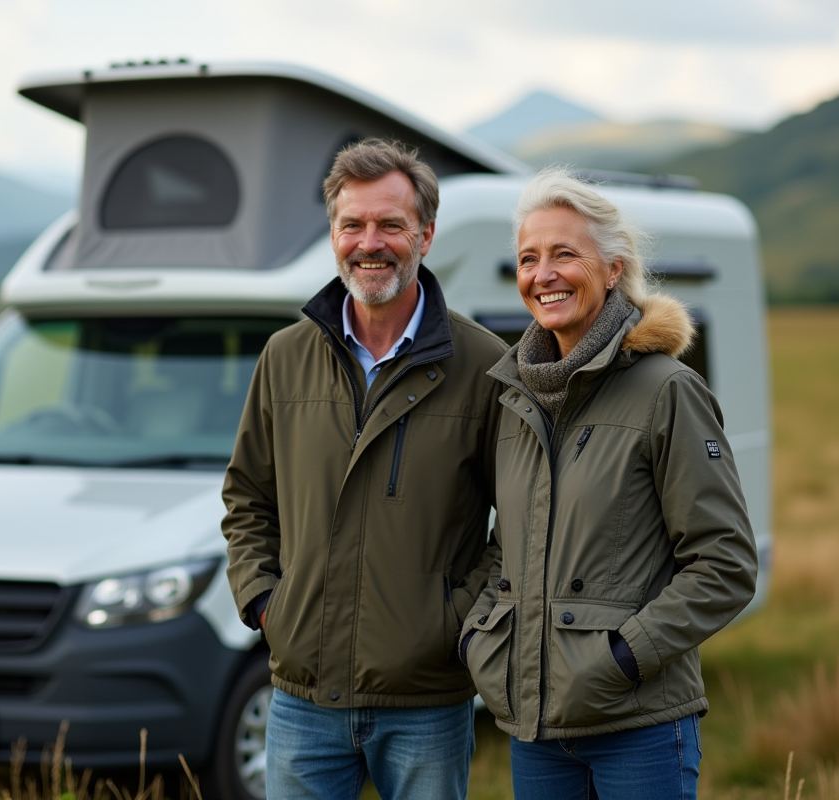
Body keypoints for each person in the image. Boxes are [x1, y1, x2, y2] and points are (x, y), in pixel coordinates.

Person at [222, 138, 507, 800]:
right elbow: (247, 497)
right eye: (353, 224)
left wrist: (456, 622)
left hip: (429, 703)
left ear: (426, 235)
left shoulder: (486, 365)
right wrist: (267, 602)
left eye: (390, 224)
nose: (369, 242)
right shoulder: (284, 357)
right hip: (302, 697)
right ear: (333, 233)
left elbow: (520, 527)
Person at [461, 166, 758, 800]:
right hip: (534, 730)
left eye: (565, 254)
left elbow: (725, 564)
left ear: (613, 268)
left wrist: (621, 660)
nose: (544, 274)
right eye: (528, 258)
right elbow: (504, 547)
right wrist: (481, 639)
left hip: (638, 725)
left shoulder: (667, 391)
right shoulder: (516, 399)